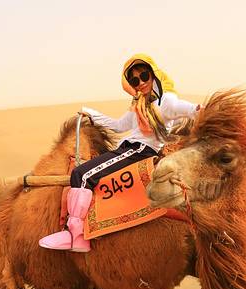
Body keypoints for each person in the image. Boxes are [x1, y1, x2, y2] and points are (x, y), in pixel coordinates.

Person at [39, 54, 201, 252]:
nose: (140, 82)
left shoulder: (166, 101)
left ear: (154, 74)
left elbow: (193, 110)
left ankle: (76, 236)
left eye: (144, 76)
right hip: (128, 148)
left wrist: (207, 112)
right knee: (84, 173)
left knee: (82, 175)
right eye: (134, 80)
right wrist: (91, 114)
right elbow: (118, 126)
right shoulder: (139, 104)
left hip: (141, 150)